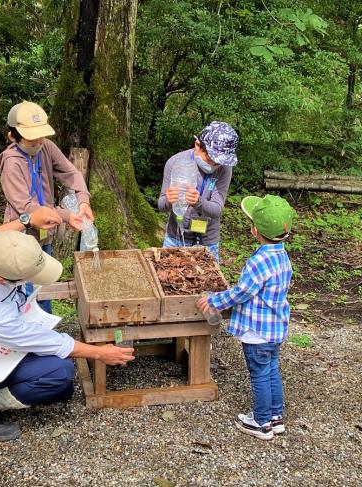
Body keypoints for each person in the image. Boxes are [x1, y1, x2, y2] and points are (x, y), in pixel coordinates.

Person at [0, 207, 134, 442]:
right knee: (59, 374)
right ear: (2, 279)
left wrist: (28, 220)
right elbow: (52, 343)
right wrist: (100, 353)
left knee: (59, 380)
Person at [197, 195, 295, 441]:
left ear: (255, 230)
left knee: (259, 374)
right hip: (275, 329)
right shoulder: (282, 256)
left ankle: (261, 422)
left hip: (258, 332)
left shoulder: (259, 261)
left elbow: (242, 292)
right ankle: (275, 416)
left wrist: (213, 300)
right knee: (271, 370)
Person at [0, 100, 93, 313]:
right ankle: (27, 340)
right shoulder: (11, 164)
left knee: (42, 283)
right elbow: (29, 208)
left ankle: (46, 334)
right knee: (24, 290)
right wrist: (67, 215)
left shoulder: (45, 147)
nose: (38, 142)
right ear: (12, 136)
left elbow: (71, 172)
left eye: (41, 136)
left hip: (44, 233)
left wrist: (83, 200)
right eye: (31, 139)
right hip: (20, 235)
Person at [157, 121, 239, 262]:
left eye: (218, 162)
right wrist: (169, 201)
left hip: (208, 240)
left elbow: (217, 209)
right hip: (176, 236)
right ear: (197, 145)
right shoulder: (175, 162)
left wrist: (198, 202)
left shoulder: (225, 168)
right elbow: (161, 205)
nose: (213, 165)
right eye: (210, 159)